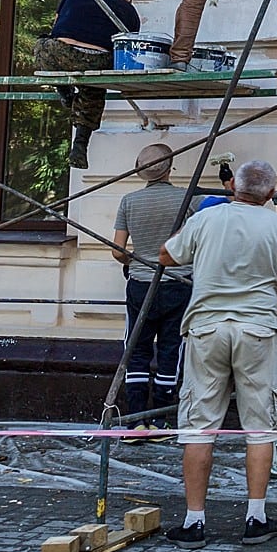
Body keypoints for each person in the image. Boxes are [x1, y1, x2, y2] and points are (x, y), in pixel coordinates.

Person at [159, 159, 277, 545]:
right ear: (271, 194)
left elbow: (167, 256)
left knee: (199, 426)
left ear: (233, 188)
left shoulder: (207, 219)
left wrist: (196, 226)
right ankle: (255, 518)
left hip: (207, 330)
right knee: (261, 427)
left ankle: (194, 523)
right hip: (258, 333)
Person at [112, 143, 194, 420]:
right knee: (171, 349)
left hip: (140, 285)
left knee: (137, 349)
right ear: (170, 168)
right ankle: (161, 417)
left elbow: (117, 250)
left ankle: (135, 418)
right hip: (178, 283)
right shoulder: (188, 200)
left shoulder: (129, 201)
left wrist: (136, 261)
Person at [35, 0, 139, 169]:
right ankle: (80, 143)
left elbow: (56, 22)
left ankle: (64, 90)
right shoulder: (132, 13)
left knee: (42, 46)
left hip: (62, 51)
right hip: (100, 60)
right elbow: (127, 49)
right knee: (94, 86)